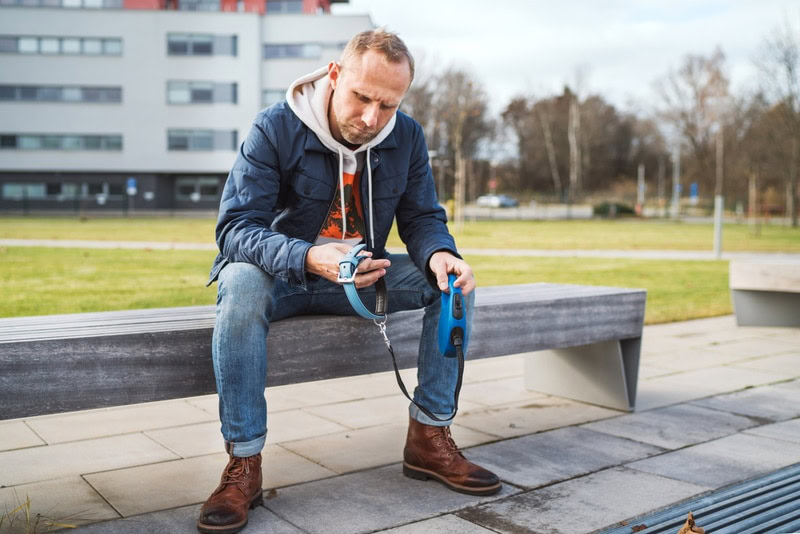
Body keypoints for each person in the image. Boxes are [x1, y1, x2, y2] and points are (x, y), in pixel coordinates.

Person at [197, 28, 501, 534]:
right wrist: (308, 256)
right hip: (285, 277)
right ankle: (244, 465)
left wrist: (442, 254)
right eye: (362, 98)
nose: (371, 119)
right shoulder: (274, 128)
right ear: (335, 76)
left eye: (388, 105)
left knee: (453, 285)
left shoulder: (405, 136)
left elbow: (423, 217)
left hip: (362, 278)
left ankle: (429, 436)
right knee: (243, 283)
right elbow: (234, 230)